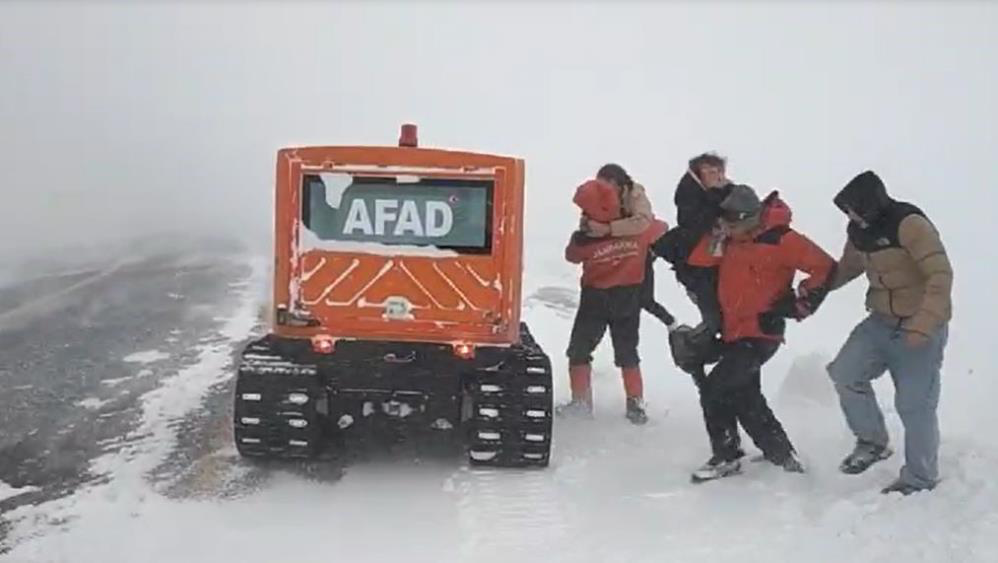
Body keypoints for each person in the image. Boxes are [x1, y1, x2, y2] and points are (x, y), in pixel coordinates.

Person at [679, 185, 835, 482]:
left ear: (748, 218)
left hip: (762, 332)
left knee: (716, 387)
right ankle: (782, 455)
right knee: (745, 395)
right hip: (734, 331)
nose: (727, 229)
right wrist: (717, 235)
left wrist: (801, 302)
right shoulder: (730, 239)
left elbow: (824, 266)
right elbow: (700, 260)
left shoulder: (782, 239)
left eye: (731, 224)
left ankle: (727, 456)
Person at [825, 170, 953, 495]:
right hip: (880, 322)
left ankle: (920, 477)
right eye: (847, 211)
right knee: (844, 373)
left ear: (871, 203)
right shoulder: (859, 229)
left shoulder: (909, 224)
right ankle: (872, 442)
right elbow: (850, 266)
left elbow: (940, 275)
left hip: (920, 325)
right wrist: (817, 289)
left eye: (854, 208)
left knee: (914, 405)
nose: (850, 216)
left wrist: (924, 324)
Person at [563, 178, 668, 425]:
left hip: (595, 300)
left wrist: (586, 233)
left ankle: (581, 403)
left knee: (579, 351)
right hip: (628, 298)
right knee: (628, 352)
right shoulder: (641, 232)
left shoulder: (585, 240)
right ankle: (636, 403)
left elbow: (571, 256)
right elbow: (660, 227)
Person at [581, 163, 676, 329]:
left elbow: (642, 221)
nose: (601, 189)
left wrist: (609, 229)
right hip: (619, 250)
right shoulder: (598, 197)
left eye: (604, 184)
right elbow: (587, 222)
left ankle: (672, 325)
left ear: (616, 183)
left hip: (644, 247)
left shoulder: (635, 193)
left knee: (643, 298)